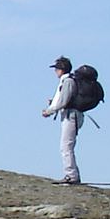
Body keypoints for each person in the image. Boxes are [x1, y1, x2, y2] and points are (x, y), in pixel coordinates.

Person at [41, 56, 83, 185]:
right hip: (71, 115)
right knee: (67, 146)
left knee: (66, 146)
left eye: (57, 69)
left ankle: (71, 176)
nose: (55, 72)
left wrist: (49, 111)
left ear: (61, 69)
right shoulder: (67, 81)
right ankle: (72, 174)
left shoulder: (67, 81)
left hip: (71, 116)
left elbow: (63, 101)